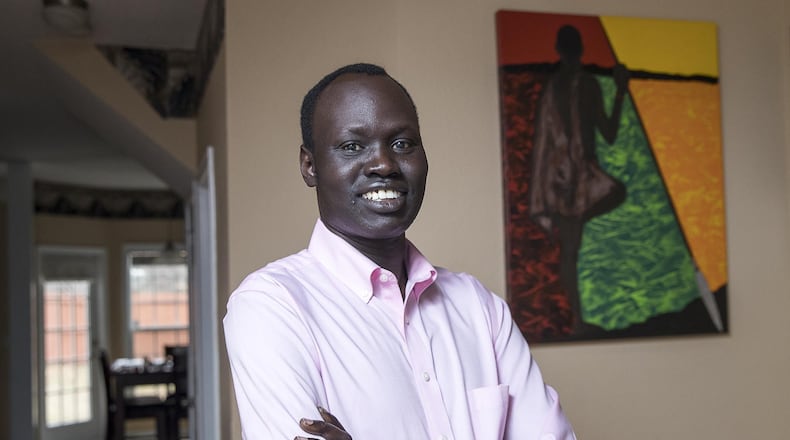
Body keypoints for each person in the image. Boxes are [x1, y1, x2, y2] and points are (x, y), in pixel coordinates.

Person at [224, 63, 577, 440]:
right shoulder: (271, 307)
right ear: (310, 165)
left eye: (402, 144)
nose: (383, 164)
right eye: (352, 146)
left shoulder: (480, 308)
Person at [529, 25, 629, 332]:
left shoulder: (553, 87)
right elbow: (609, 134)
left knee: (570, 250)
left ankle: (577, 319)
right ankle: (577, 321)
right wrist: (621, 91)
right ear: (581, 50)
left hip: (560, 178)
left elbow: (542, 145)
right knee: (571, 249)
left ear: (559, 50)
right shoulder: (587, 85)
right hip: (575, 178)